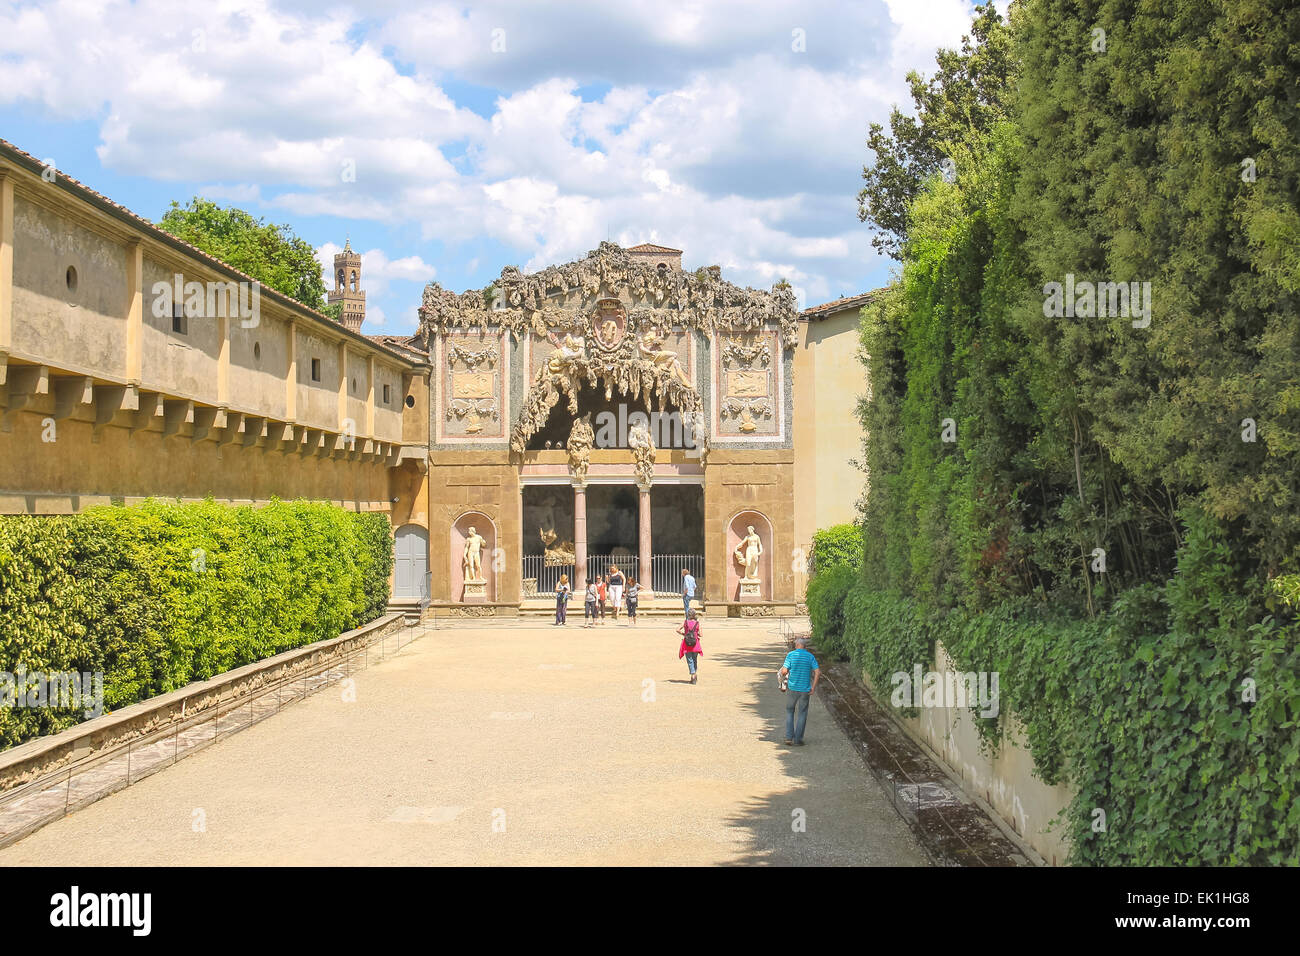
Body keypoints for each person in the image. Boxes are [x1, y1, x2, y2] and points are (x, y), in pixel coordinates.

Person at [778, 636, 820, 745]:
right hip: (805, 689)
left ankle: (788, 737)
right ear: (805, 646)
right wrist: (813, 687)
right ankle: (798, 740)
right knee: (802, 713)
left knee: (790, 712)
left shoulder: (791, 655)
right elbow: (817, 672)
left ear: (796, 646)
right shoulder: (810, 656)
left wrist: (782, 676)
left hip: (792, 688)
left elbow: (784, 671)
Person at [677, 610, 703, 684]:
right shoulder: (697, 623)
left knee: (690, 660)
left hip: (687, 644)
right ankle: (694, 674)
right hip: (695, 644)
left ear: (688, 615)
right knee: (694, 660)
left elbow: (677, 629)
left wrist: (684, 634)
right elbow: (701, 634)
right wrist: (696, 633)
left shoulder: (685, 622)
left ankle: (693, 675)